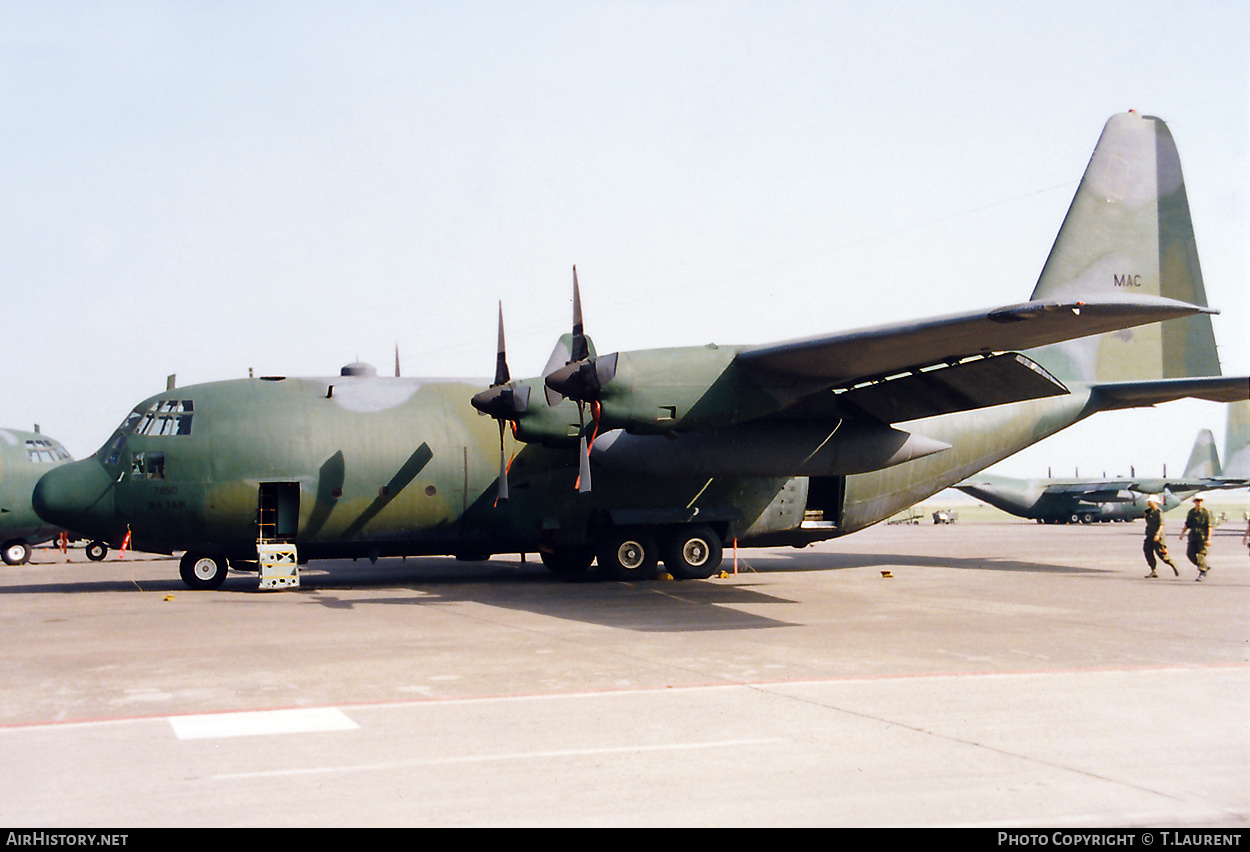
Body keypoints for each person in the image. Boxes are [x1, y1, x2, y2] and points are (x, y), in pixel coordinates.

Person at [1179, 496, 1213, 581]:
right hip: (1193, 536)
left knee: (1201, 555)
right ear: (1194, 502)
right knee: (1190, 554)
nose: (1199, 502)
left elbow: (1209, 526)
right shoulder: (1191, 512)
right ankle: (1204, 566)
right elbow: (1187, 524)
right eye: (1197, 501)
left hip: (1202, 537)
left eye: (1200, 501)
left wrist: (1208, 538)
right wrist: (1182, 533)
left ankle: (1202, 571)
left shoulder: (1206, 513)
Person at [1142, 496, 1178, 578]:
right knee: (1147, 551)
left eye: (1150, 501)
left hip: (1157, 536)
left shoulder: (1158, 512)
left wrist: (1158, 534)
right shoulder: (1147, 512)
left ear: (1155, 502)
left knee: (1162, 554)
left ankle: (1172, 564)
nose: (1149, 503)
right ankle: (1153, 570)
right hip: (1149, 535)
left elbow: (1161, 524)